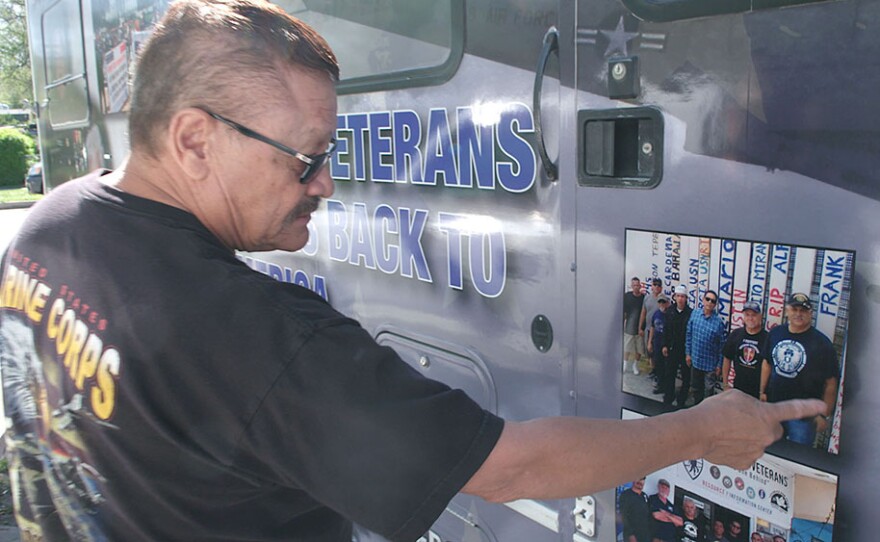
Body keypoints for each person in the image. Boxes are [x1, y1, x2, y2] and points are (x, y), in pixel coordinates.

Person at [0, 0, 825, 540]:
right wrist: (705, 429)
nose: (324, 184)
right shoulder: (253, 336)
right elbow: (514, 468)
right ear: (191, 140)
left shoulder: (54, 221)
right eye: (306, 159)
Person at [760, 293, 839, 445]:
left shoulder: (823, 344)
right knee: (772, 452)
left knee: (798, 461)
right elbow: (766, 363)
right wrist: (762, 392)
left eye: (803, 310)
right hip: (774, 408)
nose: (798, 314)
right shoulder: (776, 333)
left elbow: (831, 383)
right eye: (794, 309)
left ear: (810, 314)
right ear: (786, 311)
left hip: (804, 417)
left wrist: (824, 415)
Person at [686, 290, 727, 405]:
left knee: (709, 392)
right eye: (707, 299)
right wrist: (688, 353)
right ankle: (696, 410)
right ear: (703, 300)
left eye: (712, 301)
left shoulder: (718, 323)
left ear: (715, 305)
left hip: (710, 366)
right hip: (695, 361)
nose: (709, 302)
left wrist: (719, 365)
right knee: (695, 388)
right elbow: (689, 334)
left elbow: (721, 346)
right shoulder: (695, 314)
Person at [721, 301, 767, 398]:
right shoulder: (736, 334)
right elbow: (727, 358)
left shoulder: (767, 338)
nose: (750, 318)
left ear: (760, 316)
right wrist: (725, 384)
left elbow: (769, 367)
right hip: (738, 389)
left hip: (757, 393)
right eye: (747, 315)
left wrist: (763, 392)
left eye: (754, 315)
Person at [663, 285, 693, 407]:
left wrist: (689, 352)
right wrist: (665, 345)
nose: (680, 299)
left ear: (686, 298)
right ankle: (669, 395)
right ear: (675, 297)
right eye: (678, 296)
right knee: (670, 373)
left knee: (686, 376)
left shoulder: (691, 313)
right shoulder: (669, 311)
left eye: (683, 296)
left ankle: (682, 399)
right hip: (672, 348)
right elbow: (666, 330)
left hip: (685, 350)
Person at [640, 278, 664, 378]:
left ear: (661, 288)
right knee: (649, 351)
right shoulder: (647, 298)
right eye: (655, 284)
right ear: (652, 286)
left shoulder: (663, 299)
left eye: (659, 285)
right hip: (648, 328)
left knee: (657, 353)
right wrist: (640, 327)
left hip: (658, 331)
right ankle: (653, 369)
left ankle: (658, 372)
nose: (656, 287)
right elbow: (643, 313)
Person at [647, 294, 670, 395]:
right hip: (656, 343)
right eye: (660, 302)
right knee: (659, 365)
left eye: (663, 302)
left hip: (665, 345)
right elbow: (652, 327)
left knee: (666, 367)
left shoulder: (669, 315)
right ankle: (660, 385)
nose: (662, 304)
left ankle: (666, 387)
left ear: (667, 303)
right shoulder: (656, 313)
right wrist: (649, 342)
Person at [624, 276, 646, 375]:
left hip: (640, 327)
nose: (636, 287)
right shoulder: (627, 296)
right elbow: (623, 311)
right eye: (634, 285)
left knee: (639, 349)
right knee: (627, 347)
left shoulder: (643, 298)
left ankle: (635, 365)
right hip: (629, 325)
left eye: (637, 285)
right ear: (631, 286)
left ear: (640, 285)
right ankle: (624, 364)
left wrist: (642, 327)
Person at [619, 477, 652, 542]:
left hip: (645, 536)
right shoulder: (626, 495)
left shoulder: (645, 496)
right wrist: (630, 535)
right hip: (632, 536)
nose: (640, 481)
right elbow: (624, 516)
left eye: (642, 479)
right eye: (639, 478)